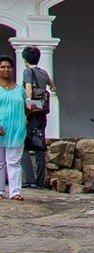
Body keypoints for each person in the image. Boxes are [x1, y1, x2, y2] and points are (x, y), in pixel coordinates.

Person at [20, 48, 53, 189]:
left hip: (32, 111)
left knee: (25, 146)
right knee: (39, 146)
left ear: (25, 59)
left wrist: (26, 111)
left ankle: (29, 179)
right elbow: (53, 86)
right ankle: (40, 181)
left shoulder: (28, 72)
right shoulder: (43, 72)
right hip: (42, 113)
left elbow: (28, 91)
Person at [0, 56, 26, 200]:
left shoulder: (19, 89)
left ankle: (15, 192)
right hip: (0, 131)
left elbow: (24, 107)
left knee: (14, 162)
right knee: (0, 163)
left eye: (8, 67)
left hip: (16, 131)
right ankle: (0, 191)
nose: (6, 69)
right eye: (2, 67)